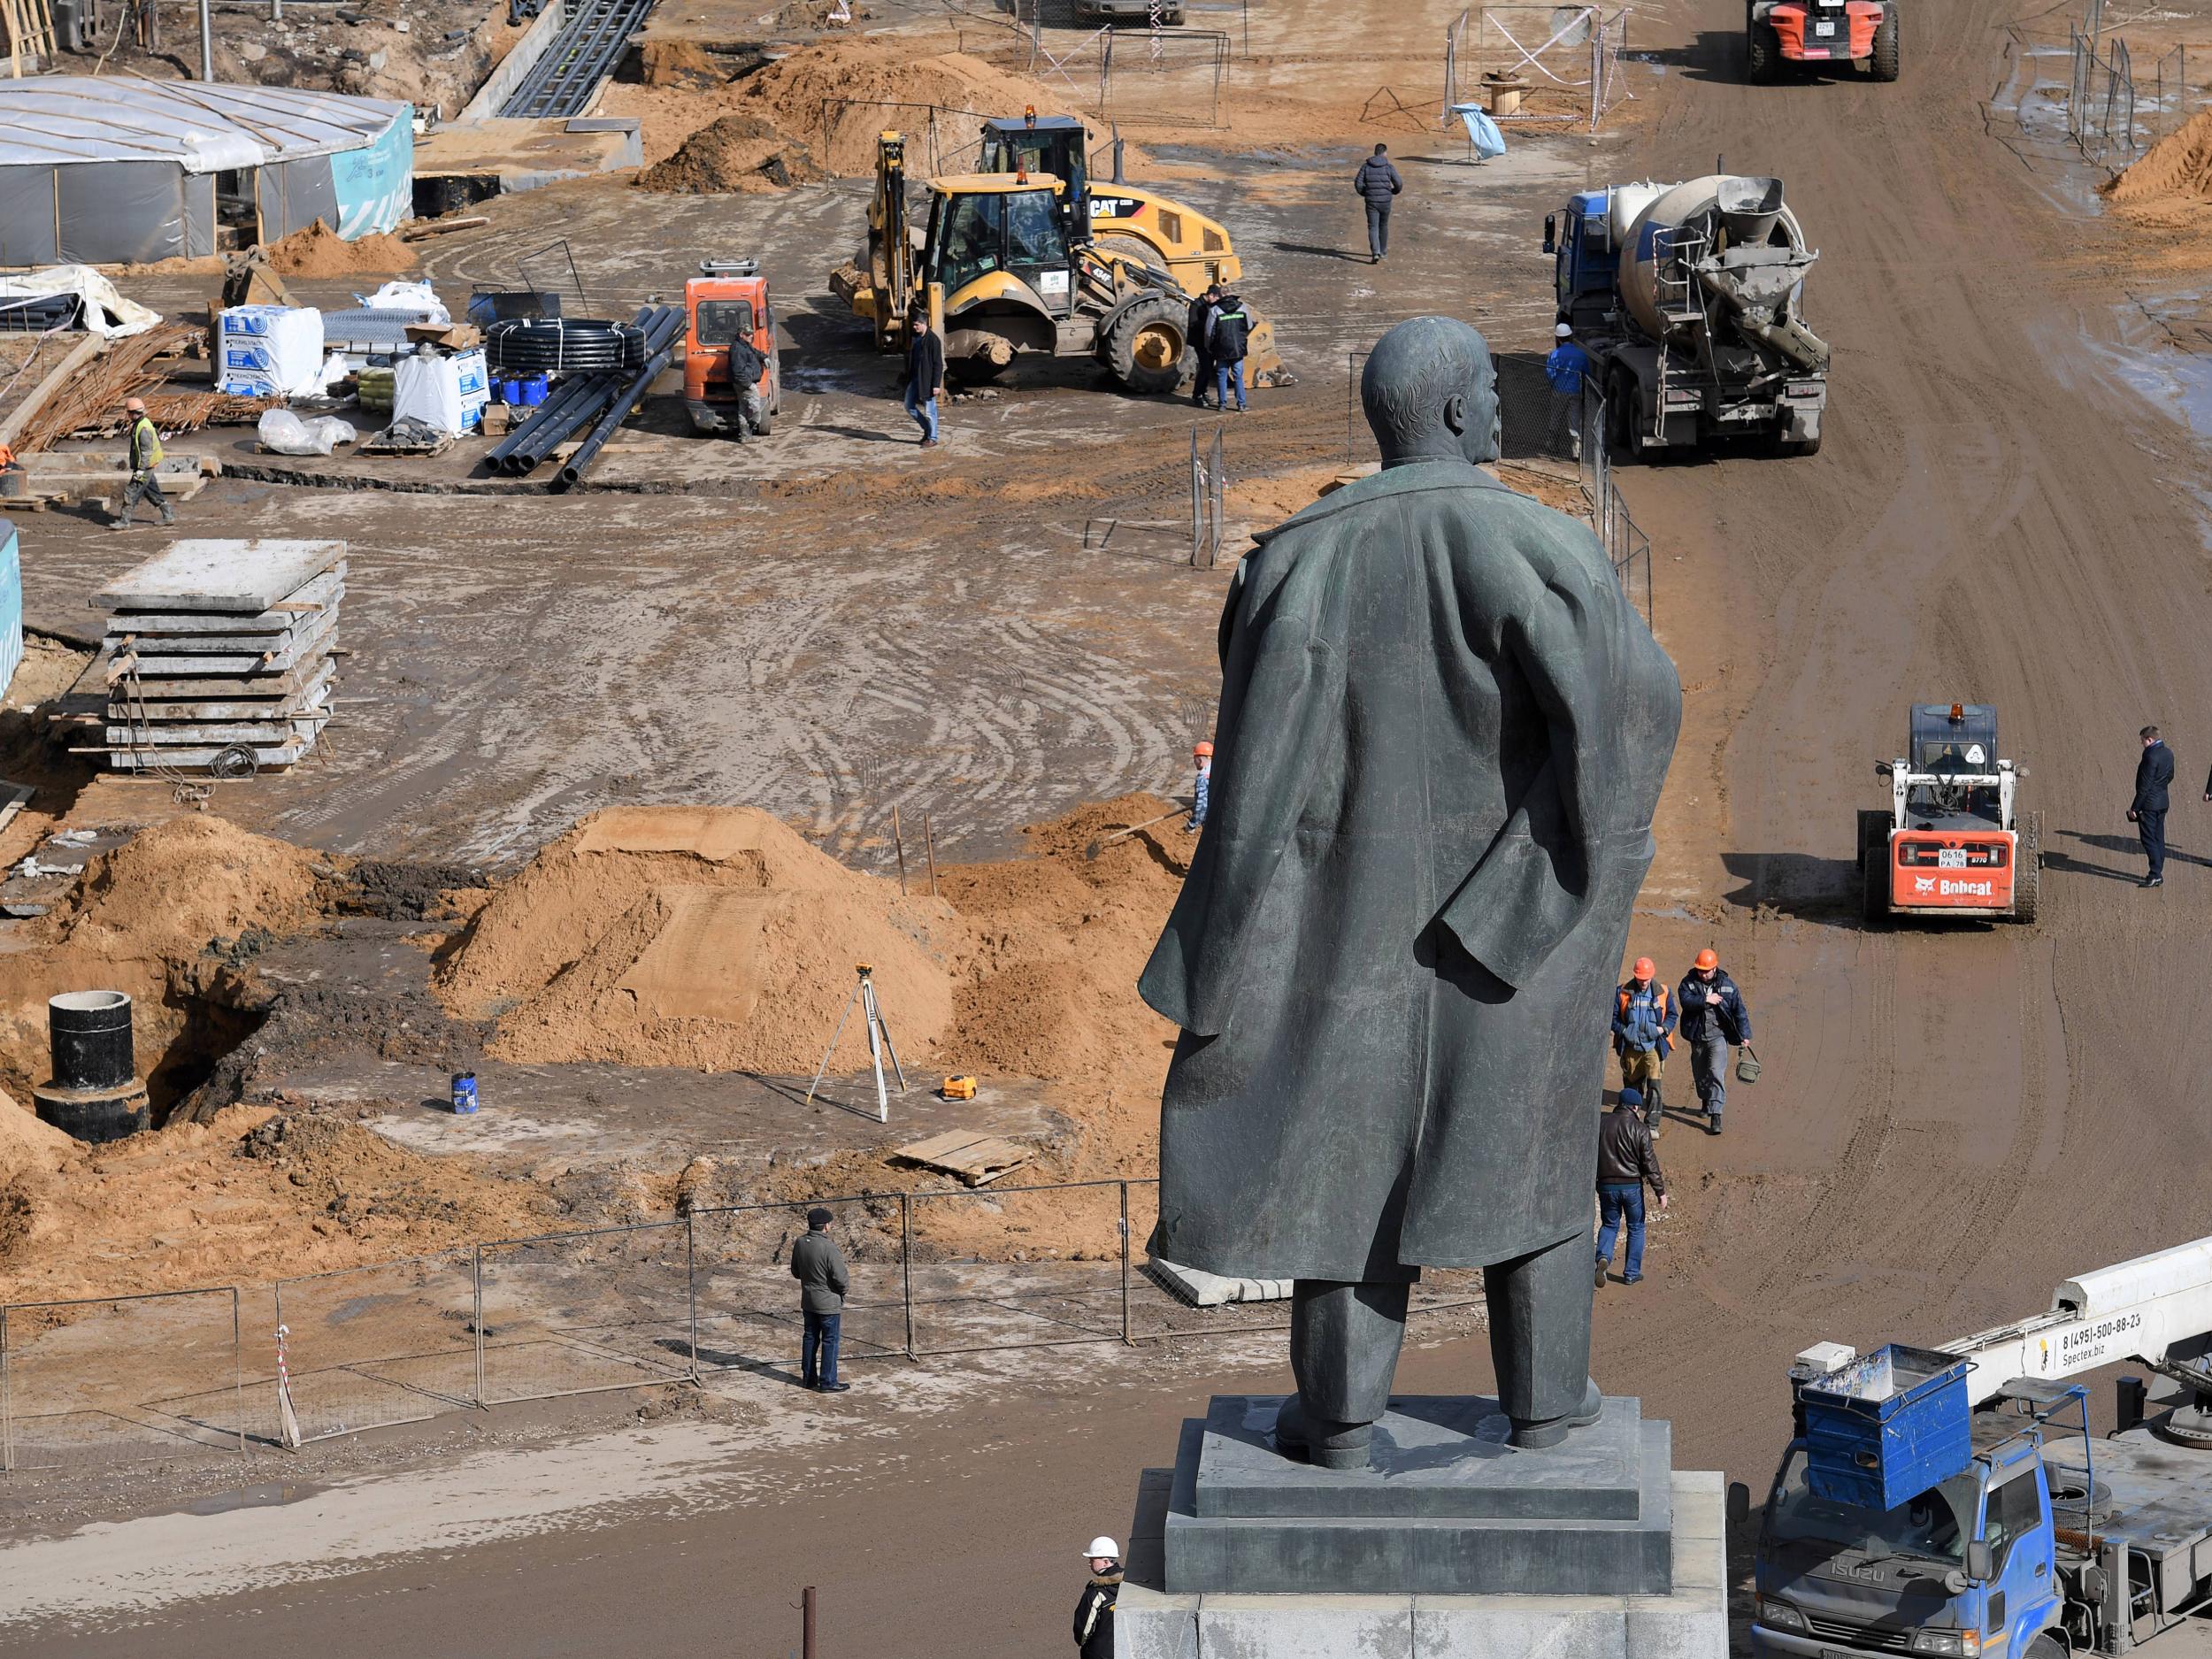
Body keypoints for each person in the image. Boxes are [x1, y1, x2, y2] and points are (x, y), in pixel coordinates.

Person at [1137, 316, 1681, 1466]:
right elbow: (1635, 716)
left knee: (1348, 1174)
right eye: (1488, 387)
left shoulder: (1291, 559)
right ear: (1446, 411)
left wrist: (1216, 949)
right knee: (1528, 1164)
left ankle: (1340, 1424)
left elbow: (1248, 791)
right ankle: (1547, 1407)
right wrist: (1527, 901)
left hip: (1346, 937)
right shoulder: (1541, 543)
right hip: (1514, 942)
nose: (1499, 405)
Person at [1595, 1087, 1667, 1286]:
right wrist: (1660, 1191)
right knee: (1636, 1227)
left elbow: (1592, 1155)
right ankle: (1631, 1273)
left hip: (1606, 1185)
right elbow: (1650, 1164)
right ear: (1635, 1106)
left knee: (1610, 1224)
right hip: (1631, 1186)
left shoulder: (1602, 1124)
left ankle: (1603, 1257)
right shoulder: (1640, 1129)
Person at [1675, 948, 1749, 1138]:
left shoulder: (1728, 985)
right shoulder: (1688, 983)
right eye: (1700, 970)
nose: (1703, 974)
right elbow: (1686, 1001)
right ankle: (1705, 1101)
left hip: (1718, 1037)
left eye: (1706, 970)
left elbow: (1739, 1010)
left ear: (1715, 968)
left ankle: (1716, 1115)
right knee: (1700, 1074)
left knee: (1716, 1072)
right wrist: (1706, 1000)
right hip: (1697, 1037)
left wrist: (1745, 1034)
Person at [789, 1207, 851, 1392]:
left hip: (808, 1300)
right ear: (825, 1226)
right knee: (830, 1341)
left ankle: (808, 1378)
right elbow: (841, 1278)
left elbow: (795, 1271)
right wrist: (842, 1291)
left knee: (810, 1338)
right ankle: (828, 1381)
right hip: (828, 1303)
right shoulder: (829, 1247)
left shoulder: (800, 1243)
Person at [1611, 957, 1675, 1132]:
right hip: (1631, 1048)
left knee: (1654, 1087)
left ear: (1652, 975)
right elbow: (1613, 1017)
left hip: (1653, 1047)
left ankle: (1651, 1126)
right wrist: (1624, 1031)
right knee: (1632, 1088)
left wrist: (1662, 1030)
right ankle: (1632, 1124)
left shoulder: (1663, 992)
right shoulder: (1623, 992)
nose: (1644, 982)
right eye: (1640, 978)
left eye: (1646, 978)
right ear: (1635, 976)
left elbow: (1672, 1016)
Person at [111, 397, 174, 532]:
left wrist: (140, 471)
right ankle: (168, 516)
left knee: (131, 491)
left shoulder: (143, 427)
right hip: (148, 466)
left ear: (133, 413)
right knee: (152, 491)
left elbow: (146, 452)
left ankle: (124, 521)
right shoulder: (142, 422)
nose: (128, 416)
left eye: (128, 413)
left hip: (145, 467)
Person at [2131, 725, 2174, 888]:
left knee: (2148, 839)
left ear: (2149, 739)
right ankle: (2157, 872)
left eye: (2142, 740)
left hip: (2149, 804)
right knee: (2158, 837)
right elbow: (2170, 776)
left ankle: (2155, 874)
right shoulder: (2168, 753)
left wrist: (2134, 808)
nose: (2141, 744)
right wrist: (2159, 787)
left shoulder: (2150, 757)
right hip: (2163, 802)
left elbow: (2144, 787)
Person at [1545, 321, 1590, 460]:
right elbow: (1586, 372)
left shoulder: (1554, 355)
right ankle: (1576, 451)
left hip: (1559, 390)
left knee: (1555, 417)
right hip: (1575, 391)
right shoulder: (1581, 354)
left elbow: (1550, 373)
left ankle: (1552, 445)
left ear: (1558, 338)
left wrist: (1553, 384)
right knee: (1574, 420)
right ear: (1570, 337)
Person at [1354, 142, 1403, 264]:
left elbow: (1358, 184)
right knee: (1383, 225)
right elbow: (1399, 183)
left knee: (1372, 226)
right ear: (1384, 153)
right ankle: (1383, 251)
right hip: (1386, 201)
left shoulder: (1365, 167)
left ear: (1375, 152)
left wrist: (1366, 193)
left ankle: (1375, 252)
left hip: (1371, 202)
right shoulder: (1389, 167)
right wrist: (1393, 192)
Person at [1072, 1537, 1121, 1659]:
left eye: (1092, 1559)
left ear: (1105, 1562)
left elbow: (1083, 1632)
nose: (1089, 1563)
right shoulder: (1131, 1583)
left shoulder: (1095, 1593)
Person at [903, 311, 945, 449]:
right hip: (915, 378)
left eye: (916, 325)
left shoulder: (933, 340)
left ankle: (933, 438)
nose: (914, 327)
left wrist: (936, 385)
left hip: (927, 381)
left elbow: (938, 364)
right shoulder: (916, 337)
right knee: (909, 405)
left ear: (923, 324)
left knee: (930, 411)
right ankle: (927, 429)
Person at [1209, 294, 1251, 414]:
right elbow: (1249, 326)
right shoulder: (1242, 307)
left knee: (1222, 377)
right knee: (1238, 376)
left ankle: (1222, 404)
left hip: (1221, 348)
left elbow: (1209, 331)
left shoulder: (1215, 310)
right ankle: (1241, 405)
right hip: (1238, 348)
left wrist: (1209, 346)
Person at [726, 328, 769, 437]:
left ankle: (745, 435)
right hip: (745, 384)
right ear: (741, 335)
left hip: (745, 383)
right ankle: (748, 430)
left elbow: (754, 352)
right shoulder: (737, 349)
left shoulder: (745, 345)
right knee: (755, 410)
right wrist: (749, 385)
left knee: (743, 409)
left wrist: (764, 357)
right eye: (748, 334)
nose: (751, 336)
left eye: (751, 334)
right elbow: (738, 371)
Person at [1187, 283, 1220, 411]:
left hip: (1209, 342)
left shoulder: (1211, 305)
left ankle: (1204, 392)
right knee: (1205, 368)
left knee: (1209, 367)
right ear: (1210, 295)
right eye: (1216, 298)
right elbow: (1192, 323)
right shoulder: (1196, 305)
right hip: (1199, 342)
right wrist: (1209, 323)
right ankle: (1197, 395)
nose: (1217, 301)